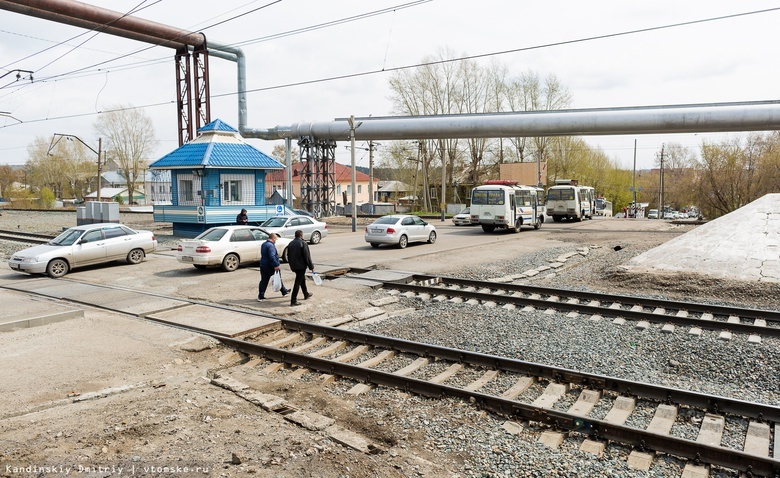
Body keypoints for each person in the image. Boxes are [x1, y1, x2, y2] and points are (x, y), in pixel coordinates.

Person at [286, 229, 315, 306]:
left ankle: (306, 294)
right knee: (297, 282)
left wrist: (291, 265)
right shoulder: (303, 243)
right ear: (301, 235)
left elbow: (288, 255)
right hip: (301, 266)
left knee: (302, 279)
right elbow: (307, 256)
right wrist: (311, 267)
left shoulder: (291, 243)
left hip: (294, 266)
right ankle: (293, 300)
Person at [257, 233, 288, 301]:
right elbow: (272, 256)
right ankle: (284, 291)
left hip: (263, 265)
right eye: (275, 239)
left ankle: (261, 295)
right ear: (273, 238)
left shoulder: (264, 244)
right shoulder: (270, 246)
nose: (276, 241)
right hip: (270, 266)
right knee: (277, 278)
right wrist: (276, 265)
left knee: (264, 280)